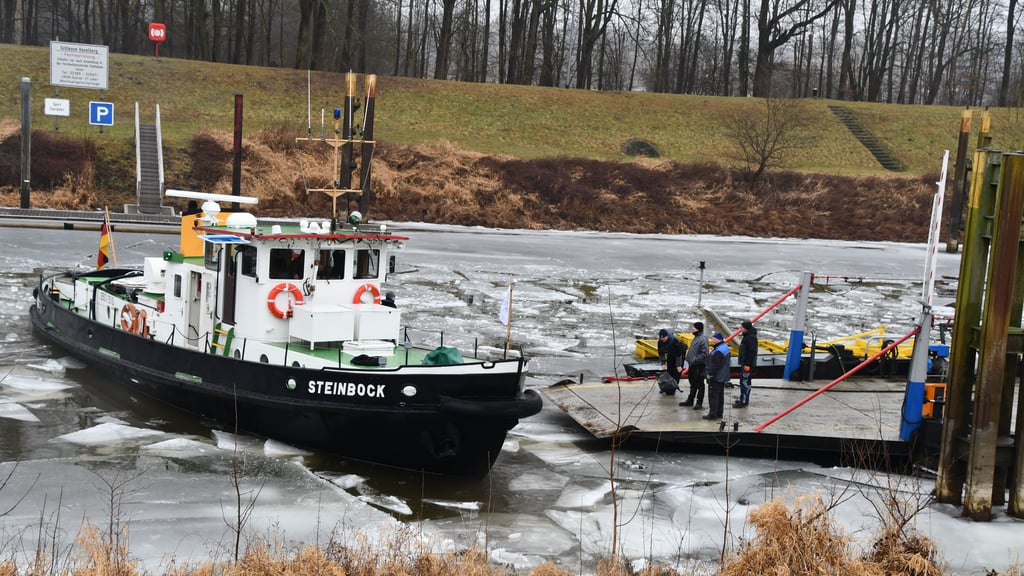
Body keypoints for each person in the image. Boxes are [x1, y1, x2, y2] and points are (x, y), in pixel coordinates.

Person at [679, 321, 708, 409]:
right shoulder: (696, 337)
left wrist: (695, 360)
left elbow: (704, 353)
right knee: (693, 383)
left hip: (698, 365)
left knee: (700, 384)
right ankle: (690, 400)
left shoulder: (702, 339)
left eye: (694, 327)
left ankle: (699, 402)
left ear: (698, 329)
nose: (692, 328)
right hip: (692, 365)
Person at [705, 332, 730, 420]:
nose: (712, 341)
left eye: (714, 339)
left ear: (719, 340)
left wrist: (710, 375)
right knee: (720, 395)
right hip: (723, 376)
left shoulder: (719, 351)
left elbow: (715, 365)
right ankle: (719, 413)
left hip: (717, 377)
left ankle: (712, 414)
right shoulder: (725, 348)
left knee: (713, 396)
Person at [735, 320, 758, 407]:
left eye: (742, 327)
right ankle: (743, 399)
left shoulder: (750, 338)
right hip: (745, 363)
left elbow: (752, 351)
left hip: (747, 364)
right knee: (744, 381)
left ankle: (744, 401)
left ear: (746, 328)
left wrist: (748, 364)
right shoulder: (747, 336)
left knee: (745, 382)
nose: (740, 329)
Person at [657, 328, 686, 395]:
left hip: (679, 354)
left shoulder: (674, 341)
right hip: (670, 354)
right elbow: (661, 353)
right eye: (661, 338)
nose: (663, 339)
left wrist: (678, 365)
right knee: (669, 371)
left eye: (664, 338)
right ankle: (666, 387)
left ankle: (673, 388)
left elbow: (679, 354)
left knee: (676, 372)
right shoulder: (660, 342)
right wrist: (663, 363)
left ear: (667, 336)